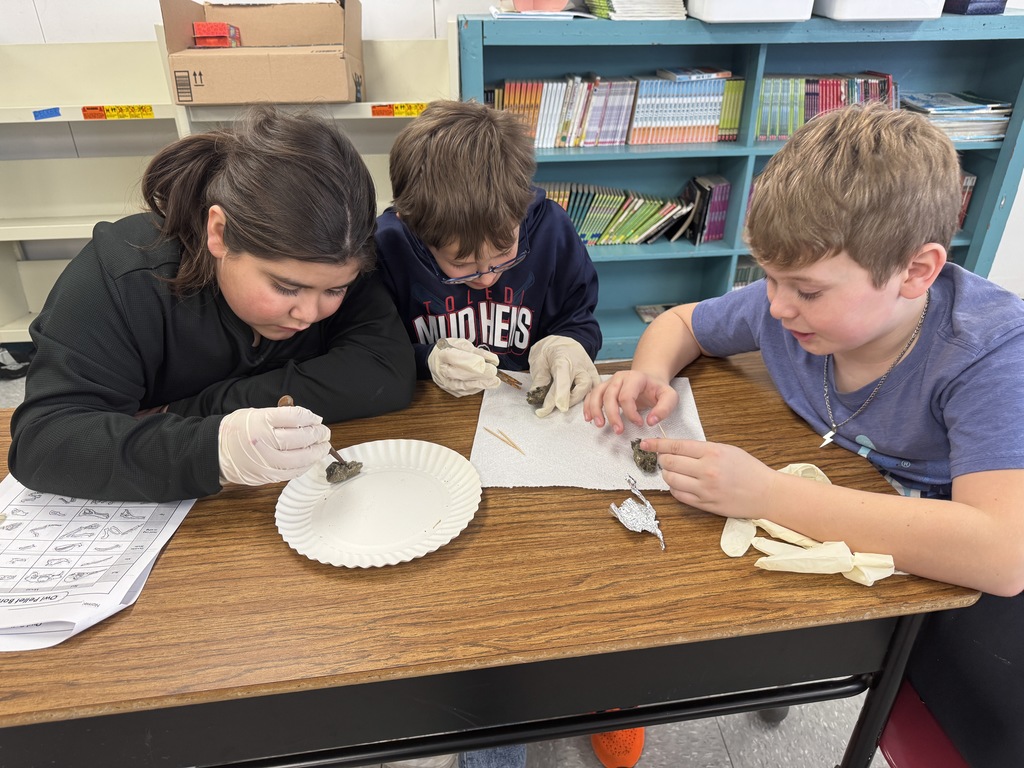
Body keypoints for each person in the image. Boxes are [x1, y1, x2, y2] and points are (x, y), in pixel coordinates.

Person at [583, 101, 1024, 767]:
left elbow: (1001, 555)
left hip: (939, 574)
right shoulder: (787, 300)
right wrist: (649, 373)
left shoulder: (990, 352)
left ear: (915, 272)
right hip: (826, 530)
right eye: (768, 278)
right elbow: (683, 323)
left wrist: (766, 495)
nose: (777, 306)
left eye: (808, 292)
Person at [8, 106, 416, 503]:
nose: (308, 314)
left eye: (335, 291)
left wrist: (190, 411)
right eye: (285, 287)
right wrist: (212, 450)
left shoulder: (340, 256)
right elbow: (42, 443)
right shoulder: (122, 276)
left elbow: (384, 374)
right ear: (218, 232)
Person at [374, 99, 602, 417]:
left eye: (504, 253)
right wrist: (426, 359)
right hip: (434, 413)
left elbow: (578, 320)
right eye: (461, 264)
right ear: (413, 227)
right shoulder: (387, 247)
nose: (487, 277)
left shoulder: (552, 230)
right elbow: (373, 350)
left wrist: (570, 343)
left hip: (527, 411)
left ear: (521, 210)